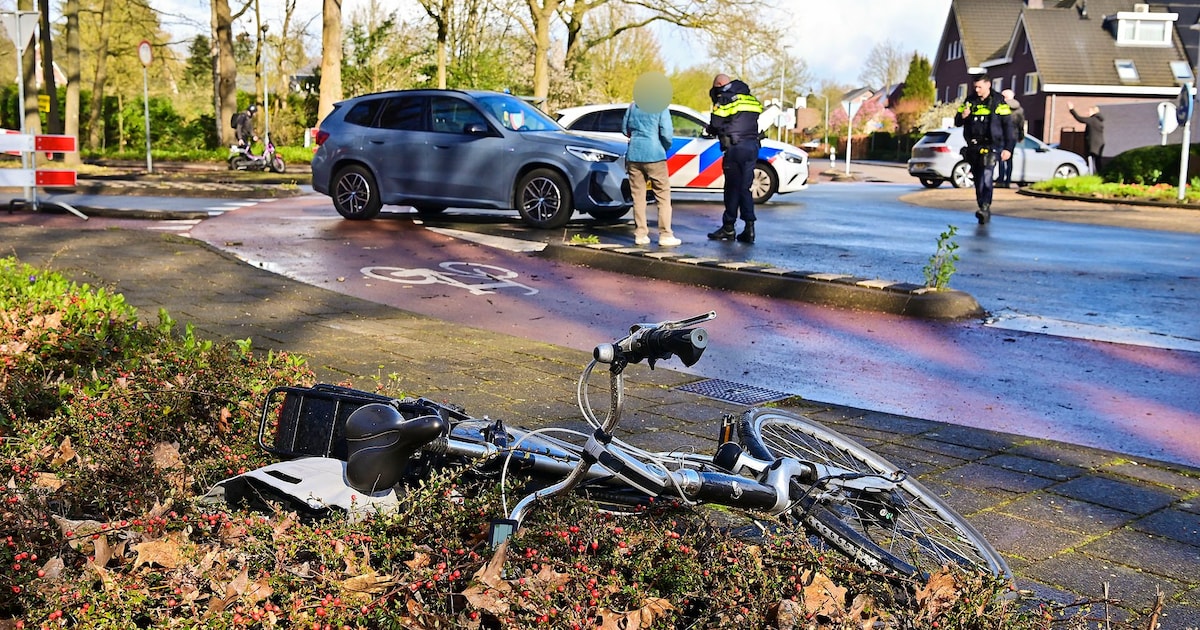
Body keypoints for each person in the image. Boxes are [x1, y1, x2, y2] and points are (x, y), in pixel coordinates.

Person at [705, 73, 763, 243]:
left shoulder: (725, 99)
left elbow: (715, 124)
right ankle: (749, 228)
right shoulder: (750, 99)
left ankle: (728, 228)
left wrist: (712, 129)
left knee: (732, 188)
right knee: (745, 188)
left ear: (720, 85)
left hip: (735, 148)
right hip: (752, 147)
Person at [954, 74, 1015, 224]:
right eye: (975, 87)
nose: (977, 89)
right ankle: (982, 205)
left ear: (988, 85)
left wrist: (1008, 148)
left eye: (979, 87)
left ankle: (985, 207)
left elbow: (1008, 127)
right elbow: (957, 122)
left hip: (992, 145)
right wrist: (963, 116)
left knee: (987, 177)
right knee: (978, 179)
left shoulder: (998, 102)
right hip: (974, 146)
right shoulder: (970, 101)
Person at [622, 100, 679, 247]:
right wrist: (663, 147)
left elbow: (624, 129)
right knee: (663, 196)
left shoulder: (633, 106)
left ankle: (640, 234)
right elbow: (667, 133)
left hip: (634, 154)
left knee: (638, 197)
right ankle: (665, 235)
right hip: (655, 155)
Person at [1067, 102, 1105, 175]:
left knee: (1090, 160)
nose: (1088, 113)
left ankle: (1091, 174)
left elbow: (1079, 118)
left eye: (1089, 111)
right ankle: (1100, 175)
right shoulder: (1099, 121)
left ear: (1093, 112)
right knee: (1098, 161)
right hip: (1100, 144)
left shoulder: (1092, 120)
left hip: (1092, 144)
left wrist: (1072, 109)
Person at [998, 89, 1025, 188]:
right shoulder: (1020, 109)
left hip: (1002, 135)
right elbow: (1021, 124)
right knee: (1010, 159)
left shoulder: (1001, 107)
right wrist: (1021, 136)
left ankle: (1000, 180)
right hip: (1013, 136)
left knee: (1001, 158)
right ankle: (1007, 181)